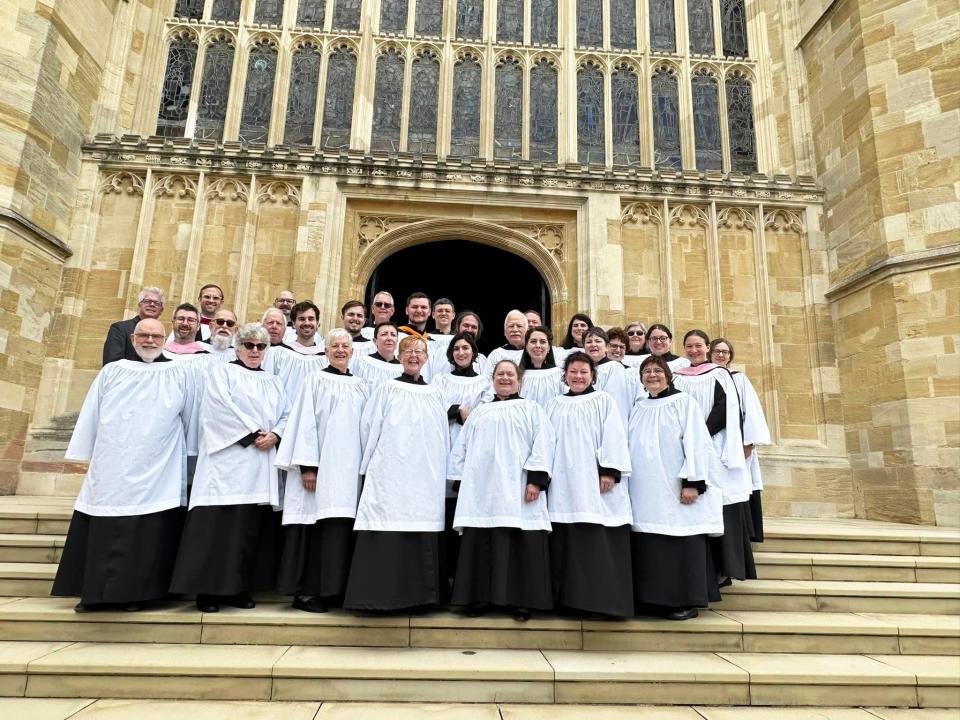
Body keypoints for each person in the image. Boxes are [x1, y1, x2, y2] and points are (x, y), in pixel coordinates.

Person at [54, 318, 197, 612]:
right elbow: (91, 414)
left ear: (163, 339)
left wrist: (188, 459)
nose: (149, 341)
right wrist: (85, 454)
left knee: (147, 533)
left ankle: (138, 594)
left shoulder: (179, 373)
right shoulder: (112, 372)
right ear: (132, 339)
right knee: (103, 526)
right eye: (143, 335)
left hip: (158, 467)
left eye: (155, 336)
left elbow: (189, 420)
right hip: (112, 463)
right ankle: (93, 595)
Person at [170, 324, 288, 613]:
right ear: (238, 347)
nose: (255, 351)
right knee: (217, 529)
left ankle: (237, 587)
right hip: (227, 464)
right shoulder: (223, 372)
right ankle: (208, 591)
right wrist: (251, 434)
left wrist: (276, 435)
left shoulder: (273, 381)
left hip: (260, 464)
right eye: (249, 345)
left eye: (261, 347)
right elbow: (216, 408)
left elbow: (287, 414)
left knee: (247, 529)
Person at [344, 335, 448, 612]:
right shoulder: (387, 389)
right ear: (399, 357)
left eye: (419, 351)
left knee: (420, 525)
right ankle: (380, 597)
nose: (414, 356)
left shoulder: (435, 392)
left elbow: (442, 437)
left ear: (427, 358)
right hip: (390, 471)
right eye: (408, 351)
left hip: (425, 476)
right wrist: (370, 467)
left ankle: (420, 598)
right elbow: (369, 427)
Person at [449, 360, 555, 621]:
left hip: (518, 489)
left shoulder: (531, 409)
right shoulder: (480, 413)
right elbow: (461, 447)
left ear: (519, 380)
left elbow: (544, 443)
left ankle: (521, 601)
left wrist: (536, 479)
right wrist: (462, 481)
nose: (505, 378)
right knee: (481, 543)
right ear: (492, 379)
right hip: (482, 490)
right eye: (500, 374)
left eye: (510, 374)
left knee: (520, 543)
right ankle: (479, 597)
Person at [276, 329, 369, 613]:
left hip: (348, 474)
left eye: (345, 346)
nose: (340, 350)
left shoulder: (362, 386)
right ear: (325, 351)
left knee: (339, 531)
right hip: (318, 472)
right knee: (313, 529)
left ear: (352, 352)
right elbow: (305, 424)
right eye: (335, 346)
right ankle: (305, 592)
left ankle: (334, 590)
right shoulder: (315, 380)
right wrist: (308, 467)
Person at [628, 354, 723, 620]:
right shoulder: (639, 406)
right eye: (646, 371)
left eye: (657, 371)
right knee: (651, 543)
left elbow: (696, 442)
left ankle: (684, 600)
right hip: (645, 492)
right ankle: (652, 600)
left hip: (676, 488)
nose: (652, 375)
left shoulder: (683, 403)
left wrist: (692, 482)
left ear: (668, 376)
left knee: (679, 541)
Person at [546, 351, 633, 618]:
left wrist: (608, 470)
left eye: (584, 372)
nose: (578, 376)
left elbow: (614, 435)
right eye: (573, 372)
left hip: (595, 483)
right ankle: (568, 601)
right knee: (566, 541)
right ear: (565, 376)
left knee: (596, 540)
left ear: (592, 375)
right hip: (562, 483)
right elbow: (546, 440)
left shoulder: (603, 401)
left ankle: (600, 602)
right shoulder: (554, 404)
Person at [672, 329, 755, 586]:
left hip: (714, 444)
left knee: (720, 504)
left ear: (707, 347)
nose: (694, 350)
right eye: (689, 346)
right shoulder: (677, 376)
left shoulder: (719, 374)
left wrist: (700, 432)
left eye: (698, 346)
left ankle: (723, 568)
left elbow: (725, 408)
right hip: (686, 446)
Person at [432, 332, 493, 599]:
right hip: (443, 448)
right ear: (450, 354)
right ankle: (442, 577)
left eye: (465, 348)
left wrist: (470, 414)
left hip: (472, 453)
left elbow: (488, 411)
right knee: (444, 516)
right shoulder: (440, 380)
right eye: (456, 349)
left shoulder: (485, 382)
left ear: (474, 352)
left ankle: (465, 580)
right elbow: (432, 407)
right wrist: (457, 409)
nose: (460, 352)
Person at [710, 337, 770, 542]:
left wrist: (748, 443)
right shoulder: (705, 378)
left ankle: (747, 533)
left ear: (730, 356)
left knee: (739, 487)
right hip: (716, 442)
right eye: (717, 351)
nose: (720, 355)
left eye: (724, 352)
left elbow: (750, 411)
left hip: (738, 442)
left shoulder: (738, 378)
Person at [582, 327, 636, 426]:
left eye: (598, 341)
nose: (593, 344)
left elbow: (616, 404)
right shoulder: (581, 370)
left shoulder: (613, 368)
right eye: (589, 342)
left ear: (606, 346)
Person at [102, 286, 165, 364]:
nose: (152, 304)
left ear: (161, 310)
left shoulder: (163, 335)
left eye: (157, 303)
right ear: (139, 305)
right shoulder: (120, 329)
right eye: (147, 301)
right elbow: (112, 363)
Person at [518, 327, 563, 409]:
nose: (538, 345)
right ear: (526, 347)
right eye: (533, 341)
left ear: (549, 347)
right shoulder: (518, 376)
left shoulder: (559, 374)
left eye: (542, 342)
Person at [353, 321, 403, 388]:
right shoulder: (362, 363)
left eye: (393, 335)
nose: (389, 338)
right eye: (384, 334)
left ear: (397, 341)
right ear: (375, 341)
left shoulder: (402, 369)